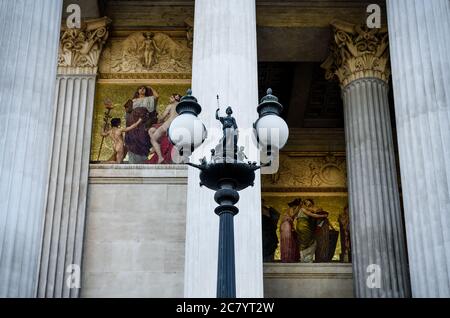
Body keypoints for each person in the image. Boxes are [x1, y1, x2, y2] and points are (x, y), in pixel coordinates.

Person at [124, 86, 159, 163]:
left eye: (144, 88)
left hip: (145, 122)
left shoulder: (149, 99)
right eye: (140, 88)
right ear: (137, 91)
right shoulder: (133, 101)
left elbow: (157, 96)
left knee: (144, 138)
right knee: (134, 140)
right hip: (133, 123)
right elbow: (127, 112)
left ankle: (144, 159)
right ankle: (134, 160)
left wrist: (150, 87)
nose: (142, 89)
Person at [148, 94, 181, 164]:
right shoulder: (181, 106)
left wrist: (158, 119)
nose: (170, 98)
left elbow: (163, 117)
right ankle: (155, 148)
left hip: (167, 125)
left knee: (153, 138)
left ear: (175, 98)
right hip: (176, 126)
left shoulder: (171, 106)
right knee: (152, 131)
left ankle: (160, 157)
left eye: (171, 97)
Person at [280, 198, 301, 263]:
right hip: (286, 225)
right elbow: (292, 215)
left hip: (288, 225)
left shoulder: (292, 209)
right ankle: (287, 258)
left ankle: (289, 257)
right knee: (287, 241)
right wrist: (298, 208)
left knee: (290, 241)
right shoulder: (291, 208)